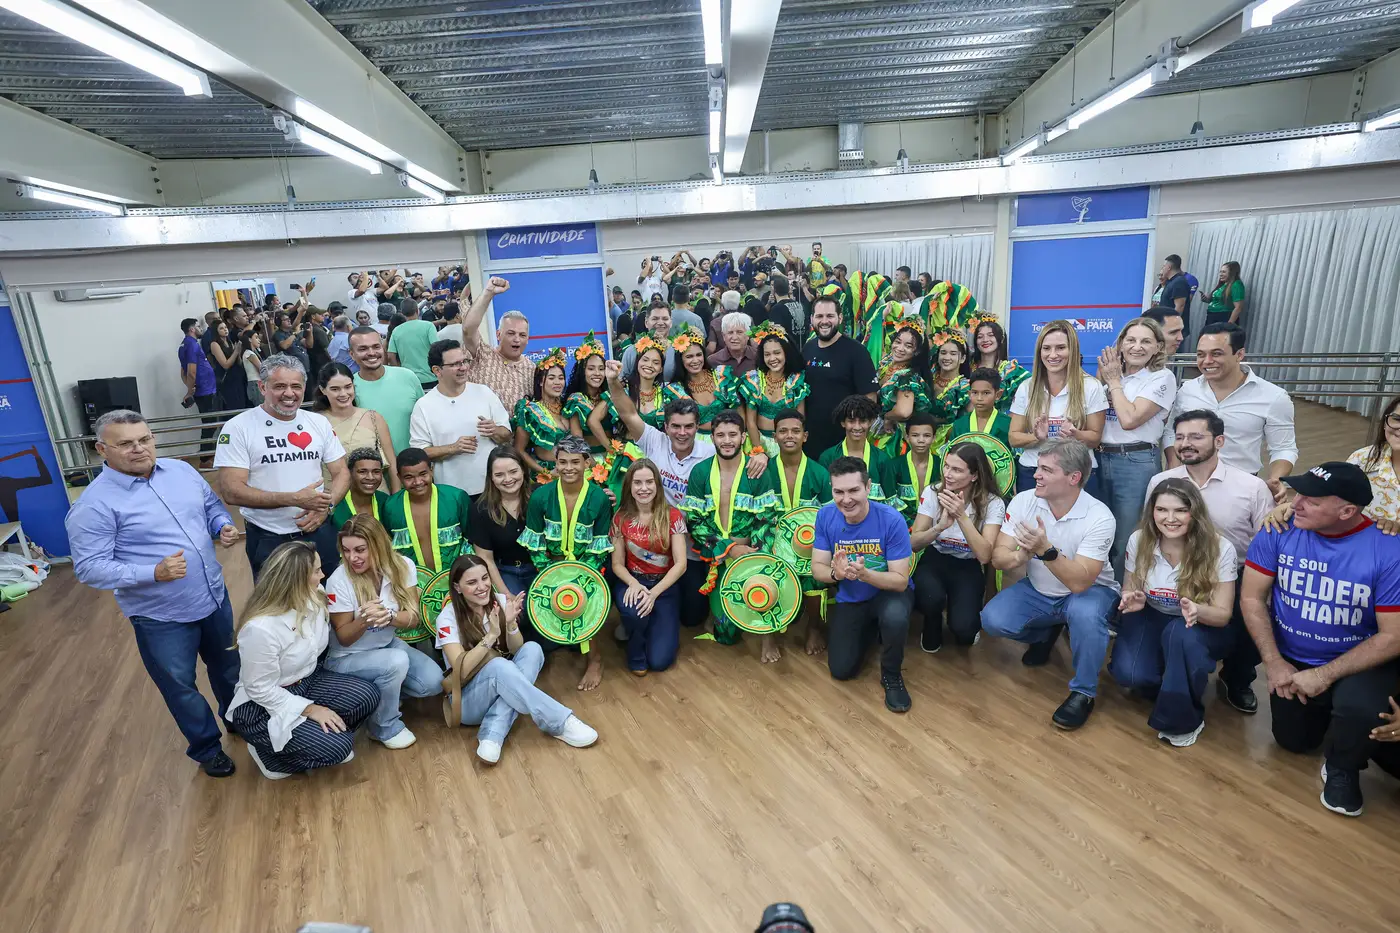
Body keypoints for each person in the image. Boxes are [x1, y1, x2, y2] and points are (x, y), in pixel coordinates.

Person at [66, 410, 242, 778]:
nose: (138, 449)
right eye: (125, 444)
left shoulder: (181, 471)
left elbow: (210, 505)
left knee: (229, 667)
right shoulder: (93, 505)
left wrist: (221, 524)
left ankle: (239, 719)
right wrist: (153, 573)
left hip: (212, 596)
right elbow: (89, 567)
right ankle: (208, 749)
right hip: (161, 615)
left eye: (144, 439)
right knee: (180, 685)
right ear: (102, 450)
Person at [1240, 461, 1400, 817]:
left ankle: (1343, 767)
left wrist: (1325, 675)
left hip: (1362, 662)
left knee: (1360, 709)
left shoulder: (1390, 549)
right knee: (1294, 742)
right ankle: (1342, 724)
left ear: (1347, 511)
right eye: (1298, 493)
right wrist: (1274, 663)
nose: (1295, 503)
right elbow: (1251, 598)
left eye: (1311, 500)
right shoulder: (1277, 529)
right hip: (1295, 659)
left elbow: (1393, 636)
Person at [982, 439, 1119, 730]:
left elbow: (1080, 582)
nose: (1036, 475)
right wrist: (1021, 555)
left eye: (1046, 470)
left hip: (1090, 591)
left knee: (1084, 613)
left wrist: (1046, 550)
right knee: (992, 619)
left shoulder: (1099, 516)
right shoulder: (1024, 500)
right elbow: (998, 557)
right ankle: (1047, 631)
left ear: (1074, 477)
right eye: (1038, 467)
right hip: (1040, 590)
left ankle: (1084, 692)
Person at [1148, 410, 1276, 714]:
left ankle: (1237, 679)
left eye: (1196, 436)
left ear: (1219, 441)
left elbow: (1267, 541)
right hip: (1176, 568)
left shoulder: (1250, 487)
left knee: (1251, 619)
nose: (1185, 444)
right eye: (1180, 437)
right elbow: (1151, 530)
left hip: (1235, 573)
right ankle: (1173, 667)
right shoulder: (1161, 481)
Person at [227, 542, 378, 779]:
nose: (323, 575)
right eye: (317, 571)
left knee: (368, 696)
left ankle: (314, 736)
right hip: (261, 706)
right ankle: (270, 756)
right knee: (339, 748)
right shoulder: (260, 629)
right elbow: (259, 688)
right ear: (296, 580)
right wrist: (310, 709)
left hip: (306, 681)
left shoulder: (315, 596)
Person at [1109, 479, 1238, 747]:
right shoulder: (1139, 540)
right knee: (1129, 675)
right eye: (1161, 510)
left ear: (1195, 512)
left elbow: (1223, 615)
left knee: (1179, 635)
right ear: (1152, 512)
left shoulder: (1221, 548)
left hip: (1198, 624)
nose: (1170, 519)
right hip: (1153, 613)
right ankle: (1176, 675)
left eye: (1180, 510)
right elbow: (1130, 586)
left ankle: (1183, 720)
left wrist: (1197, 610)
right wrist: (1132, 597)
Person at [435, 555, 598, 763]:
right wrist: (491, 636)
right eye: (472, 582)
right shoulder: (447, 618)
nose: (482, 587)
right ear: (457, 588)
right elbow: (461, 670)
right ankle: (561, 722)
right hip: (467, 701)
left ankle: (493, 733)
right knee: (498, 665)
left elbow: (517, 649)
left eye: (485, 578)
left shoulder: (500, 602)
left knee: (533, 649)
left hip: (504, 685)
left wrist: (511, 624)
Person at [605, 361, 723, 635]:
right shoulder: (653, 440)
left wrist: (758, 457)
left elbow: (735, 450)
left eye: (689, 427)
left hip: (690, 544)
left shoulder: (710, 453)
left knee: (691, 617)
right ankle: (633, 616)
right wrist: (613, 382)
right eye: (676, 426)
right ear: (666, 427)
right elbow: (627, 412)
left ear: (697, 427)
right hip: (649, 538)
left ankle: (666, 607)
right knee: (615, 568)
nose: (682, 433)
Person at [215, 353, 349, 579]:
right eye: (279, 386)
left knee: (330, 595)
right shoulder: (238, 428)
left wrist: (326, 507)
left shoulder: (318, 422)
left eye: (296, 386)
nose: (289, 393)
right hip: (269, 538)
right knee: (276, 601)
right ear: (262, 387)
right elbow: (231, 491)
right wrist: (293, 499)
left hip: (319, 531)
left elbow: (342, 472)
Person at [323, 515, 442, 750]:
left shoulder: (403, 565)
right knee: (395, 661)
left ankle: (379, 695)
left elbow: (413, 619)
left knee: (433, 682)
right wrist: (364, 620)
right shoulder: (338, 580)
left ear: (378, 545)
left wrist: (389, 616)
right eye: (346, 550)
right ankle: (383, 727)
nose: (352, 558)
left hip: (387, 645)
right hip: (345, 657)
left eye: (360, 550)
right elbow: (344, 638)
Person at [812, 456, 914, 712]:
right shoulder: (825, 516)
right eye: (839, 492)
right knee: (841, 670)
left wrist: (865, 574)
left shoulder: (891, 519)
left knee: (895, 616)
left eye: (854, 490)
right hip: (852, 597)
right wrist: (836, 574)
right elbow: (818, 569)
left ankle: (891, 675)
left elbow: (900, 581)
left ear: (868, 487)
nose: (846, 499)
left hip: (888, 593)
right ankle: (869, 629)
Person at [680, 410, 783, 660]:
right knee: (726, 635)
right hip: (718, 556)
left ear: (743, 437)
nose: (727, 441)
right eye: (721, 435)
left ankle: (768, 636)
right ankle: (719, 615)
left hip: (752, 553)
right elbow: (694, 522)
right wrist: (728, 549)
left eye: (733, 435)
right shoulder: (700, 472)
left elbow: (766, 520)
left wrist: (753, 556)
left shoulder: (757, 471)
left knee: (765, 587)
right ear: (712, 438)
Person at [520, 434, 615, 690]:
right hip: (549, 568)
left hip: (587, 568)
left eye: (575, 462)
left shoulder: (599, 498)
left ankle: (595, 660)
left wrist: (580, 576)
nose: (568, 468)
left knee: (588, 602)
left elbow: (599, 545)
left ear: (587, 463)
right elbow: (535, 542)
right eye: (562, 462)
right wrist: (551, 574)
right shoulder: (540, 496)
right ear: (555, 463)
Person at [1164, 323, 1297, 502]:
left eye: (1216, 354)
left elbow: (1284, 448)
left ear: (1239, 354)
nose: (1207, 361)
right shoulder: (1187, 390)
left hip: (1241, 488)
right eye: (1201, 354)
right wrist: (1173, 467)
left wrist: (1276, 478)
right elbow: (1171, 432)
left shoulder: (1273, 397)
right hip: (1189, 483)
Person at [1096, 317, 1177, 579]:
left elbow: (1130, 419)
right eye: (1131, 340)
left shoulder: (1161, 377)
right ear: (1120, 344)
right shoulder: (1112, 373)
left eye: (1146, 341)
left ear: (1158, 347)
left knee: (1126, 538)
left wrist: (1113, 382)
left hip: (1135, 461)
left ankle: (1123, 595)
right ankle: (1099, 591)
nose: (1137, 347)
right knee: (1099, 532)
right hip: (1099, 457)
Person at [911, 441, 1004, 652]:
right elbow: (914, 544)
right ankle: (932, 620)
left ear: (974, 475)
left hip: (967, 564)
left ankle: (960, 617)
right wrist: (939, 527)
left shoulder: (993, 503)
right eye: (946, 466)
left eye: (956, 470)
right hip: (935, 558)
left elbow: (984, 556)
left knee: (964, 630)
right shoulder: (933, 492)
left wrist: (961, 517)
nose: (947, 474)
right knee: (930, 599)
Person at [1008, 320, 1107, 495]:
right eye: (1046, 348)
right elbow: (1014, 438)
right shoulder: (1026, 387)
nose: (1052, 355)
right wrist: (1036, 437)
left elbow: (1095, 438)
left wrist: (1075, 435)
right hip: (1033, 471)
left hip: (1076, 472)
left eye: (1060, 348)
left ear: (1073, 350)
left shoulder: (1091, 386)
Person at [610, 459, 690, 675]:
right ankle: (635, 645)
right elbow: (617, 563)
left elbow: (681, 564)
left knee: (660, 661)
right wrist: (634, 584)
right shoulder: (620, 517)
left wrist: (653, 594)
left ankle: (647, 623)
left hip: (664, 587)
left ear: (657, 485)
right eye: (637, 483)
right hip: (632, 582)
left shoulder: (673, 515)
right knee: (635, 613)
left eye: (649, 482)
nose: (643, 488)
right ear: (629, 486)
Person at [763, 408, 831, 655]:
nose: (789, 436)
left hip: (807, 543)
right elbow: (756, 516)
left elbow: (828, 517)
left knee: (817, 572)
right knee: (764, 568)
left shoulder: (819, 473)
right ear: (774, 437)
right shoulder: (763, 470)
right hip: (772, 541)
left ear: (805, 436)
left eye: (795, 431)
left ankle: (813, 627)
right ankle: (768, 634)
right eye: (783, 431)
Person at [410, 339, 511, 496]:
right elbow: (419, 453)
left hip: (491, 489)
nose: (463, 368)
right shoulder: (423, 406)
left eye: (464, 361)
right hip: (451, 493)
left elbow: (506, 435)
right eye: (455, 364)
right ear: (437, 370)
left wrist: (495, 431)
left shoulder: (484, 392)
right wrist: (453, 448)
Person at [804, 294, 879, 457]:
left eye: (830, 316)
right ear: (812, 319)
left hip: (843, 444)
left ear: (840, 318)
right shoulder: (808, 348)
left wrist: (858, 435)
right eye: (819, 316)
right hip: (810, 442)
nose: (824, 321)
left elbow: (870, 399)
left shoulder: (856, 351)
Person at [383, 447, 473, 577]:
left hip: (457, 579)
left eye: (423, 474)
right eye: (409, 477)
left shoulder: (456, 498)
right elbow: (389, 547)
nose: (417, 482)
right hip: (413, 583)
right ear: (399, 477)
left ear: (431, 470)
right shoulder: (391, 506)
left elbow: (472, 540)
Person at [315, 362, 400, 494]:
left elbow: (392, 464)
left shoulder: (373, 418)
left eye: (348, 387)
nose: (343, 393)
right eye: (335, 389)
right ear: (323, 390)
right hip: (335, 497)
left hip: (376, 496)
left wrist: (396, 498)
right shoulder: (315, 422)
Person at [469, 448, 538, 604]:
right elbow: (485, 558)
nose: (508, 479)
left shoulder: (540, 496)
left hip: (541, 567)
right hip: (506, 571)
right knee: (518, 611)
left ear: (523, 470)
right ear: (491, 477)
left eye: (513, 471)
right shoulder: (481, 509)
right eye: (499, 475)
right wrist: (506, 596)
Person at [457, 277, 534, 413]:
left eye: (522, 335)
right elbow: (468, 329)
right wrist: (488, 292)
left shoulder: (532, 369)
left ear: (527, 339)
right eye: (511, 333)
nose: (517, 339)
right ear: (498, 335)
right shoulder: (482, 354)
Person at [350, 325, 424, 454]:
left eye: (376, 347)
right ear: (352, 354)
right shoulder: (349, 389)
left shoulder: (407, 376)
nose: (371, 353)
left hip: (414, 462)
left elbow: (426, 419)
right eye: (363, 349)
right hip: (374, 465)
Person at [739, 323, 808, 457]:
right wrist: (759, 451)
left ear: (786, 353)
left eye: (777, 353)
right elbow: (750, 422)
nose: (772, 359)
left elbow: (799, 421)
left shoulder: (795, 382)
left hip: (787, 444)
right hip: (757, 442)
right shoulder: (755, 381)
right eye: (767, 354)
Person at [666, 327, 740, 436]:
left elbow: (739, 412)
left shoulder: (721, 376)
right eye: (689, 356)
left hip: (727, 439)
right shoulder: (676, 389)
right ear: (681, 360)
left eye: (698, 355)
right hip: (694, 442)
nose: (695, 360)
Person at [872, 319, 933, 452]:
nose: (899, 348)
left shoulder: (907, 377)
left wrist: (887, 417)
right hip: (876, 431)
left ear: (917, 351)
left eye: (908, 346)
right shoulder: (887, 364)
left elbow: (903, 412)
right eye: (898, 342)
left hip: (892, 438)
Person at [818, 395, 892, 501]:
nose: (857, 427)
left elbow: (889, 500)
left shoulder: (882, 459)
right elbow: (825, 500)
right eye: (851, 421)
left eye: (862, 421)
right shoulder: (828, 457)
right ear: (843, 422)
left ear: (871, 422)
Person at [514, 348, 572, 481]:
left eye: (561, 378)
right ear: (540, 381)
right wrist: (546, 472)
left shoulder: (568, 407)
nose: (557, 382)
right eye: (551, 378)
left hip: (572, 472)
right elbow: (519, 450)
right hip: (546, 476)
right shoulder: (531, 411)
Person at [882, 413, 940, 525]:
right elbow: (890, 501)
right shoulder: (894, 465)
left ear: (934, 438)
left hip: (936, 524)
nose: (921, 440)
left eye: (927, 435)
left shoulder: (942, 464)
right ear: (907, 437)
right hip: (902, 525)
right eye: (915, 435)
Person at [563, 335, 616, 454]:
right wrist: (593, 463)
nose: (597, 373)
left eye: (601, 369)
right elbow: (578, 443)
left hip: (612, 455)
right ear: (582, 371)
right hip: (590, 457)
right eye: (591, 369)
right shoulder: (576, 400)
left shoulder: (607, 396)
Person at [607, 335, 669, 431]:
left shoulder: (666, 396)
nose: (649, 365)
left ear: (661, 369)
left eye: (656, 362)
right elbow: (593, 420)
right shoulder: (624, 391)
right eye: (645, 360)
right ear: (637, 363)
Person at [178, 317, 219, 461]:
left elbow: (183, 372)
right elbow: (190, 371)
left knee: (211, 423)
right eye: (198, 326)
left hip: (206, 388)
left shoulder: (185, 345)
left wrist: (190, 387)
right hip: (205, 390)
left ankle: (207, 456)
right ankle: (205, 459)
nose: (201, 329)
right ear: (192, 329)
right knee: (210, 424)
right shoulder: (191, 345)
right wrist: (190, 391)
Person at [926, 328, 971, 449]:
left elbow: (969, 421)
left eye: (953, 353)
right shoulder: (926, 379)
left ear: (962, 358)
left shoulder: (965, 387)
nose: (947, 357)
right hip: (920, 440)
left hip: (950, 444)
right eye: (943, 352)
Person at [948, 368, 1012, 449]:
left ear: (998, 395)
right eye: (975, 393)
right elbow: (951, 453)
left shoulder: (1008, 424)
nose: (979, 398)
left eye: (986, 393)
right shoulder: (959, 424)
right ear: (969, 394)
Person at [332, 447, 391, 528]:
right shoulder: (336, 504)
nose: (370, 477)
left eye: (376, 472)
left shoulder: (386, 501)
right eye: (362, 472)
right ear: (350, 473)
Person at [621, 303, 681, 382]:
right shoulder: (631, 352)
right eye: (655, 319)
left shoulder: (678, 351)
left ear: (671, 322)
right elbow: (622, 382)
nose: (660, 323)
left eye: (665, 319)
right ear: (646, 322)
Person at [386, 299, 439, 389]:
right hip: (430, 377)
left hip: (408, 379)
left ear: (402, 313)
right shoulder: (428, 326)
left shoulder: (396, 330)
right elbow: (437, 348)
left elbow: (391, 356)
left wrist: (400, 373)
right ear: (417, 311)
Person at [207, 320, 245, 413]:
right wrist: (236, 351)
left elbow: (238, 362)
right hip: (227, 380)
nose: (225, 330)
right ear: (216, 331)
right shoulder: (214, 344)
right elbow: (225, 365)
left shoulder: (229, 341)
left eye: (225, 327)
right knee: (233, 406)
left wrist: (238, 353)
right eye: (221, 328)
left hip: (237, 376)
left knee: (242, 404)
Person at [707, 310, 758, 376]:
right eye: (730, 332)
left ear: (748, 335)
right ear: (724, 336)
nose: (734, 337)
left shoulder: (758, 357)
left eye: (739, 332)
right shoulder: (713, 361)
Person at [1205, 261, 1246, 328]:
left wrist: (1229, 325)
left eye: (1224, 272)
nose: (1220, 274)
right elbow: (1219, 301)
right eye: (1220, 272)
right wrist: (1206, 299)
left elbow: (1238, 307)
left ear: (1232, 273)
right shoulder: (1223, 284)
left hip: (1224, 317)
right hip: (1212, 316)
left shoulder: (1236, 285)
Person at [240, 328, 265, 406]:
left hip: (257, 383)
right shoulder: (249, 353)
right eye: (256, 337)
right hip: (255, 384)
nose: (259, 340)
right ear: (250, 339)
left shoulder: (252, 353)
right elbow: (261, 368)